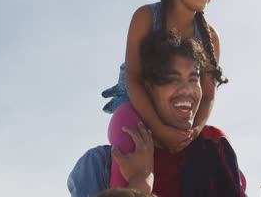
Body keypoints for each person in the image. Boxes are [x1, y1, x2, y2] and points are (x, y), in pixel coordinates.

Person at [102, 0, 227, 188]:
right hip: (137, 107)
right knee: (129, 140)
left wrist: (194, 131)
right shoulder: (146, 17)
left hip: (181, 114)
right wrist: (158, 129)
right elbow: (134, 79)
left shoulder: (209, 37)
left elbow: (208, 94)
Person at [68, 31, 246, 197]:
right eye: (171, 79)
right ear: (148, 89)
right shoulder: (97, 166)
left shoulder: (216, 150)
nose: (187, 90)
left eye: (193, 79)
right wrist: (139, 185)